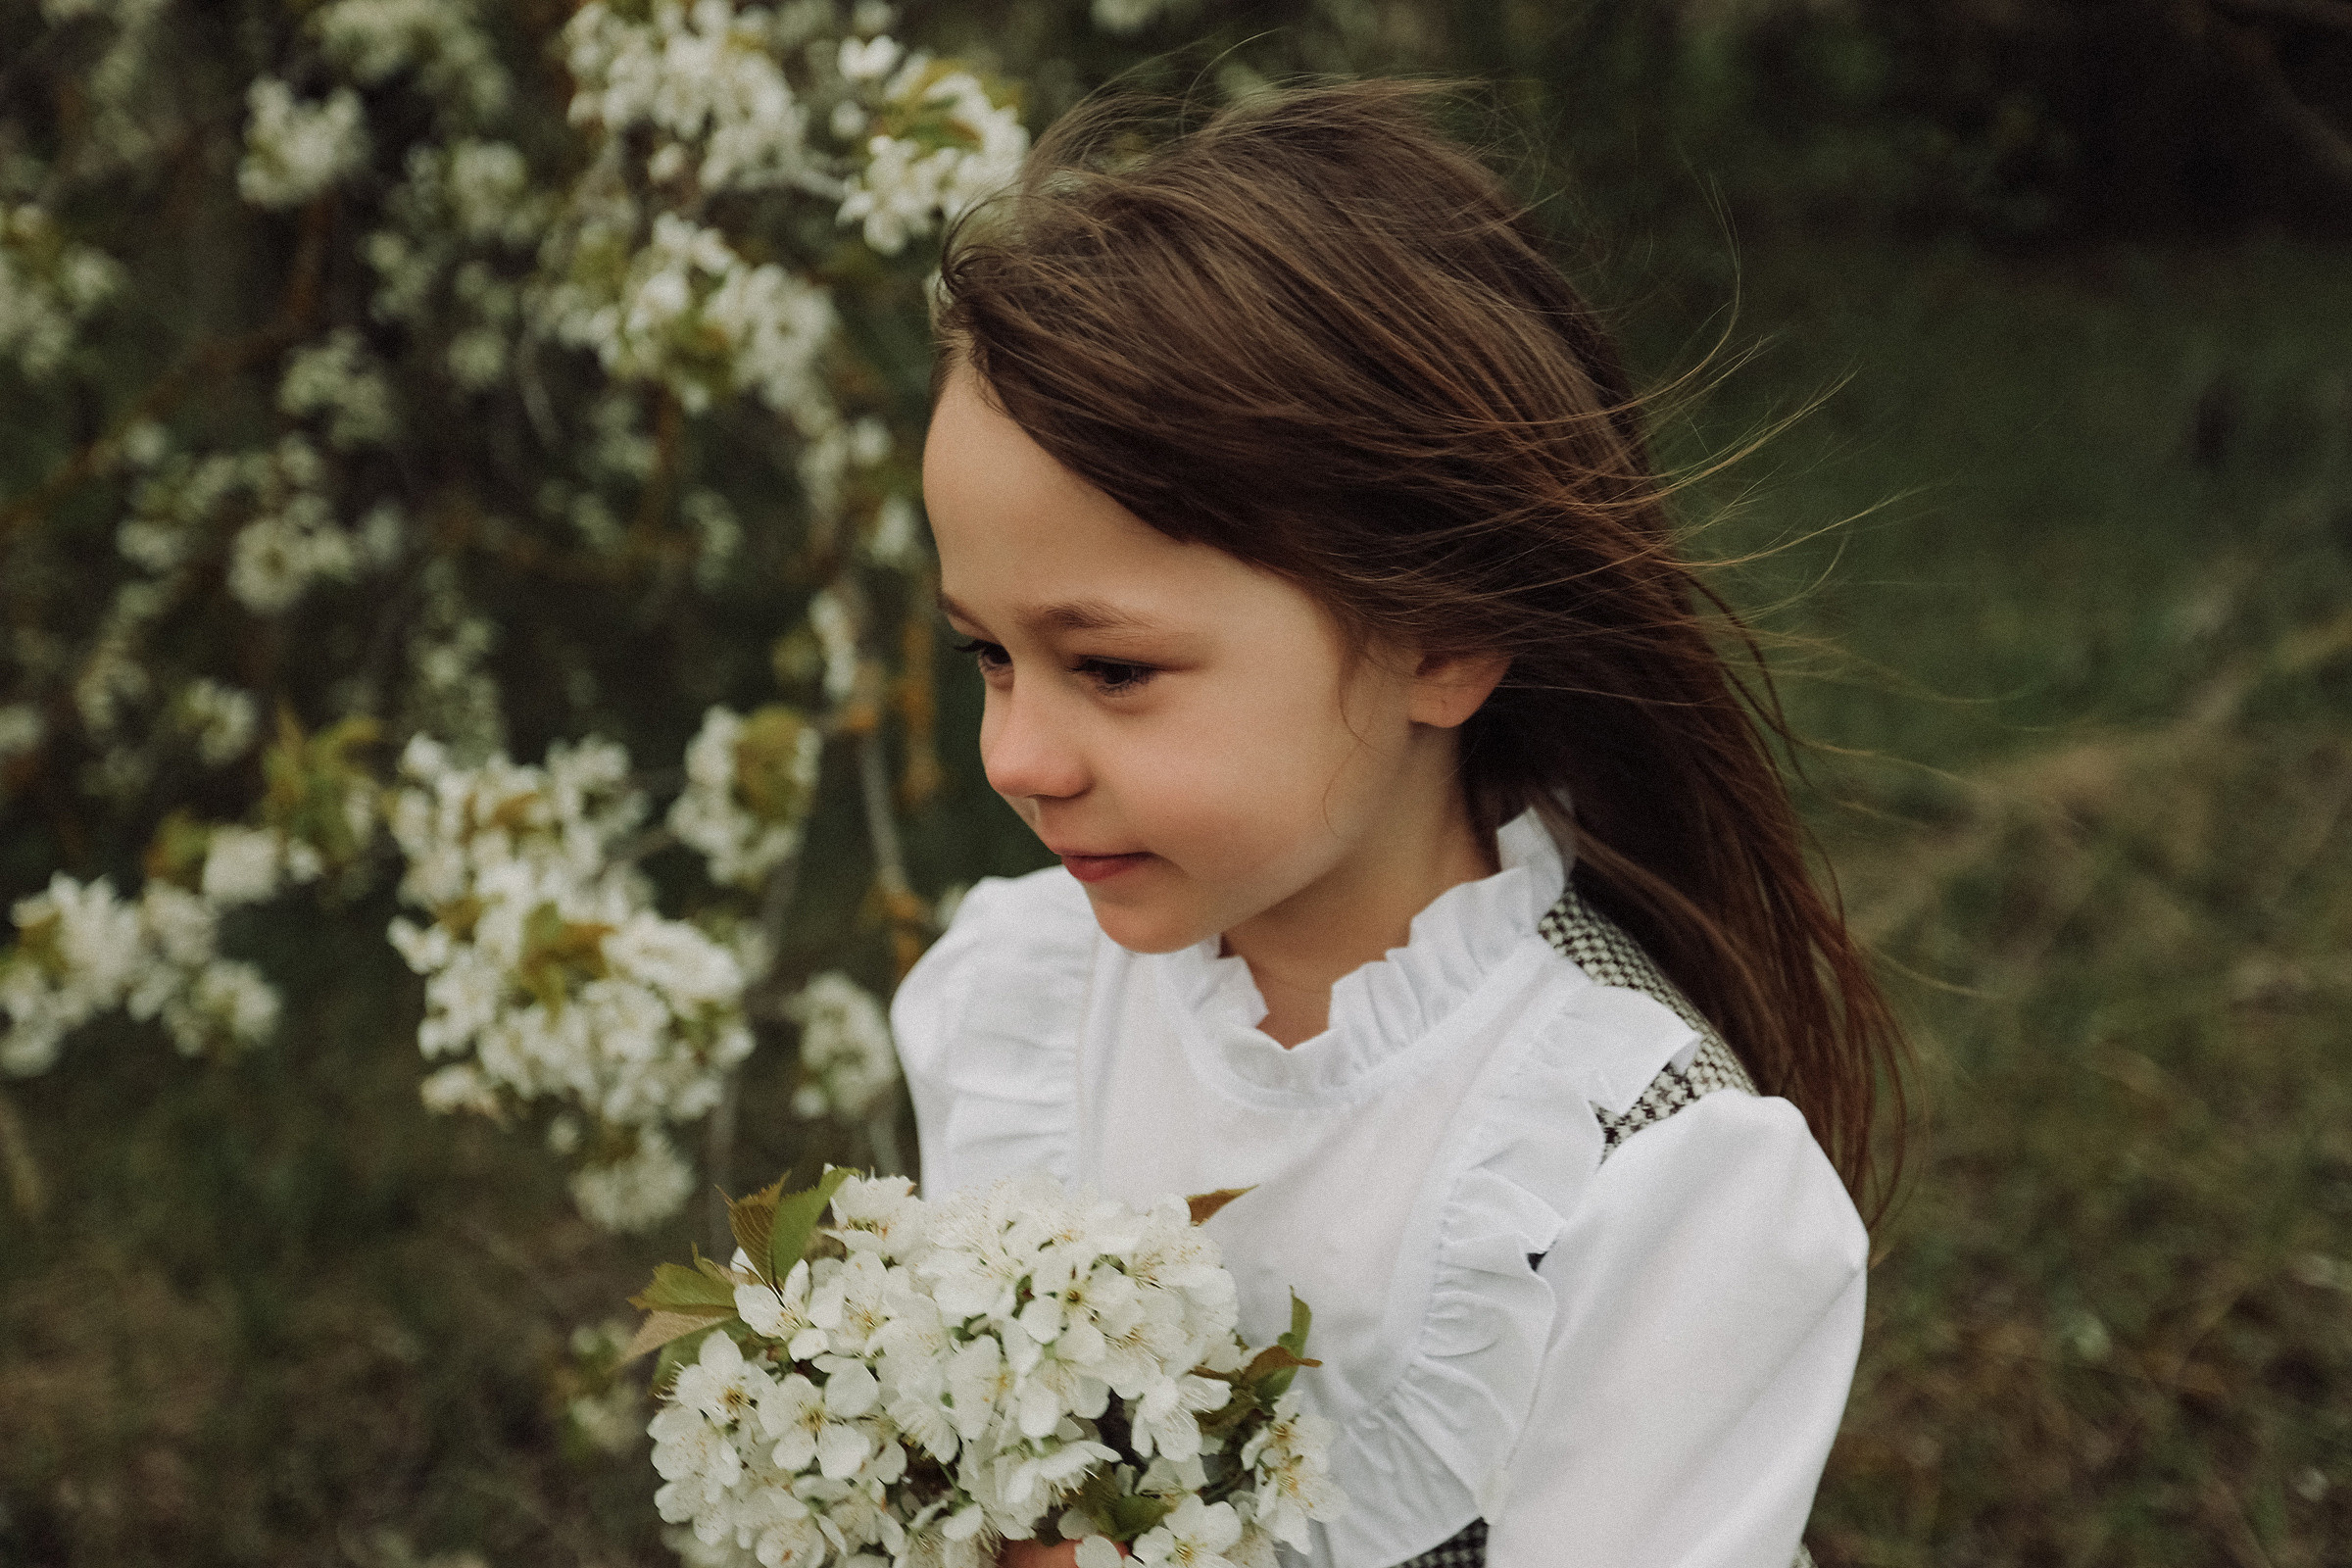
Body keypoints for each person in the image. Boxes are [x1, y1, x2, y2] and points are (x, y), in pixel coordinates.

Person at [892, 80, 1907, 1568]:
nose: (1017, 754)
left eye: (1111, 668)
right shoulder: (1020, 1003)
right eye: (986, 655)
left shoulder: (1638, 1183)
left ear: (1439, 641)